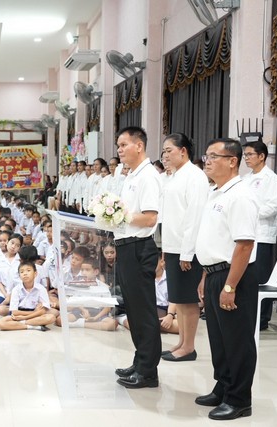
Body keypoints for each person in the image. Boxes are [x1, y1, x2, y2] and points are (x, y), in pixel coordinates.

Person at [195, 138, 259, 421]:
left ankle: (239, 399)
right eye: (206, 156)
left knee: (237, 340)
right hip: (214, 273)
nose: (207, 161)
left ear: (232, 161)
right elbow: (213, 239)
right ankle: (223, 387)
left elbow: (244, 245)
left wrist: (230, 286)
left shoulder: (241, 195)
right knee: (219, 339)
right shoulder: (216, 192)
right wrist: (205, 276)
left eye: (213, 156)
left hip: (234, 275)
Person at [113, 126, 162, 389]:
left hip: (139, 247)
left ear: (139, 146)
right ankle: (140, 360)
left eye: (123, 145)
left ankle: (148, 371)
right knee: (132, 309)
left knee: (143, 311)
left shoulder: (148, 176)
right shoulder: (132, 175)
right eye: (118, 146)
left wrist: (118, 216)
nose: (119, 150)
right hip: (126, 245)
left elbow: (150, 217)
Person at [160, 133, 208, 362]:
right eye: (164, 151)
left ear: (183, 151)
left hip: (186, 249)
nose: (165, 155)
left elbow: (194, 217)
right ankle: (181, 342)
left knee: (188, 299)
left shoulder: (195, 176)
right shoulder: (173, 176)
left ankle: (189, 347)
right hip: (173, 245)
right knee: (178, 298)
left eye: (169, 150)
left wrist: (187, 252)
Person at [242, 140, 277, 327]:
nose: (246, 158)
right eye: (245, 155)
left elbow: (271, 208)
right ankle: (249, 315)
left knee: (260, 277)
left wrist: (249, 212)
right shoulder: (246, 178)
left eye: (250, 154)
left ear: (262, 156)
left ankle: (263, 318)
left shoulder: (271, 179)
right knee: (247, 277)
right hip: (246, 234)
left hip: (262, 235)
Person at [0, 261, 55, 331]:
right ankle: (33, 326)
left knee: (51, 317)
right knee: (0, 323)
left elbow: (43, 311)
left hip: (34, 316)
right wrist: (33, 313)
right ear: (19, 276)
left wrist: (24, 318)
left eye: (28, 270)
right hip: (20, 315)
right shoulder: (16, 289)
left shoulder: (41, 289)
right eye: (22, 272)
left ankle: (21, 324)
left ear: (35, 274)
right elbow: (15, 312)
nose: (25, 274)